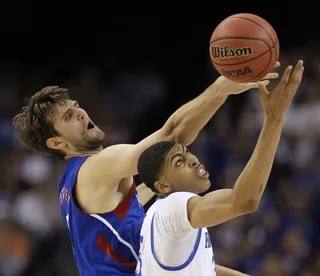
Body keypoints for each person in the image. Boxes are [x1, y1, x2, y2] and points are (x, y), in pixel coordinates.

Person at [12, 69, 278, 275]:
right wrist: (221, 89)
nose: (80, 113)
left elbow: (125, 216)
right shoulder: (95, 167)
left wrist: (152, 185)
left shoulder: (76, 185)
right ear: (57, 143)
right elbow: (173, 136)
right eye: (68, 117)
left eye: (76, 105)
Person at [136, 60, 304, 276]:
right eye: (179, 162)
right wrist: (274, 118)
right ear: (162, 186)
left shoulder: (163, 218)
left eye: (187, 154)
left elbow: (203, 268)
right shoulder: (172, 206)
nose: (193, 160)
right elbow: (245, 200)